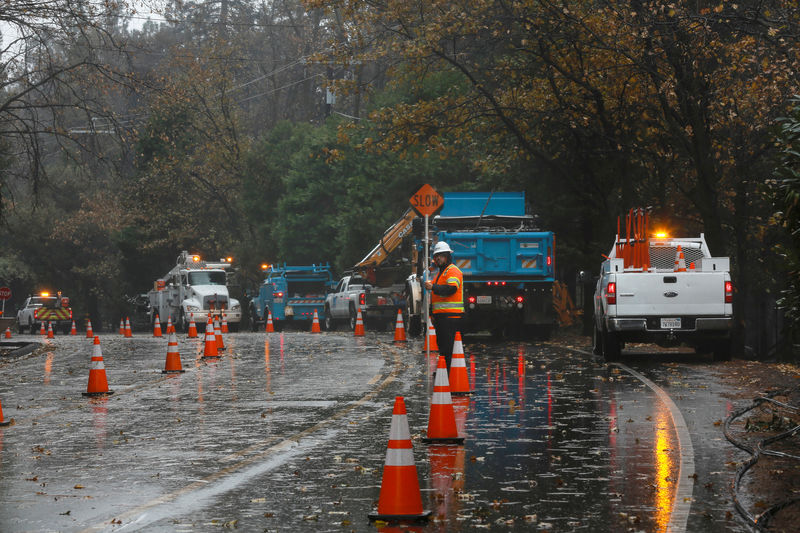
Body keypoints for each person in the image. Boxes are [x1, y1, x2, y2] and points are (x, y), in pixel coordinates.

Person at [424, 241, 464, 369]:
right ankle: (444, 373)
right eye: (436, 256)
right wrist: (432, 313)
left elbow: (451, 289)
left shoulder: (453, 271)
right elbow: (436, 297)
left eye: (441, 255)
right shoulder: (440, 273)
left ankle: (448, 374)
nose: (438, 258)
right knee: (443, 347)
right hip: (442, 317)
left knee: (448, 348)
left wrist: (433, 286)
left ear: (447, 256)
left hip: (451, 317)